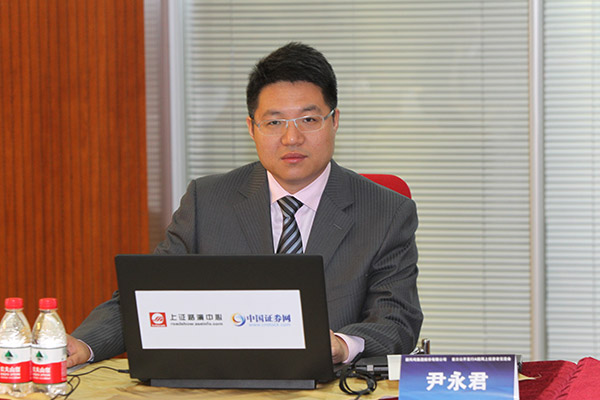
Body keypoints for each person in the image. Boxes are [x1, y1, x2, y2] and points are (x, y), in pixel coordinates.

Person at [66, 42, 423, 368]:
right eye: (274, 122)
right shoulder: (207, 201)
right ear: (252, 128)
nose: (292, 137)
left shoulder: (386, 212)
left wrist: (342, 345)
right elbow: (149, 295)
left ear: (335, 122)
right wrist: (84, 343)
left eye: (309, 120)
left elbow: (396, 320)